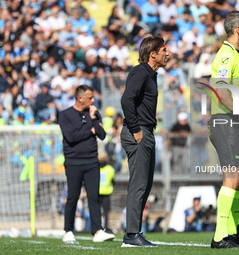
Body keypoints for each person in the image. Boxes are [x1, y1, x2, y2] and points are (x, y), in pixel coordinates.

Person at [208, 11, 239, 249]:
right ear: (238, 29)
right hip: (224, 121)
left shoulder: (235, 56)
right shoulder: (226, 56)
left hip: (234, 122)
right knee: (233, 177)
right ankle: (220, 237)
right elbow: (222, 92)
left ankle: (233, 231)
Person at [120, 36, 169, 247]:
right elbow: (126, 99)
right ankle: (131, 235)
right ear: (153, 54)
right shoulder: (141, 72)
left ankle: (134, 232)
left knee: (145, 185)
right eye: (164, 50)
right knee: (139, 185)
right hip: (138, 133)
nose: (168, 53)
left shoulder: (151, 74)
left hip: (146, 131)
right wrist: (136, 129)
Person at [58, 85, 115, 244]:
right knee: (73, 196)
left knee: (93, 196)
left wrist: (95, 118)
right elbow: (70, 137)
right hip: (73, 162)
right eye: (90, 97)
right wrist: (90, 131)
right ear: (80, 98)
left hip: (91, 161)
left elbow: (102, 135)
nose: (93, 100)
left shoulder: (94, 114)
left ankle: (97, 231)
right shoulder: (65, 115)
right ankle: (68, 231)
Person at [98, 153, 115, 233]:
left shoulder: (108, 169)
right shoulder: (110, 169)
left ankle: (103, 226)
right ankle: (101, 226)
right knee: (103, 211)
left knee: (105, 212)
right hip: (101, 192)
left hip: (104, 193)